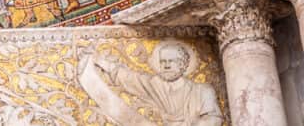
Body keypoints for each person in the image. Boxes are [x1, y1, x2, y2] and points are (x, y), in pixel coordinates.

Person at [78, 41, 222, 126]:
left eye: (171, 61)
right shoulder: (155, 84)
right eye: (163, 62)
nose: (166, 66)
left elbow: (214, 118)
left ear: (183, 64)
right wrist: (99, 61)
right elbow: (128, 78)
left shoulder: (203, 91)